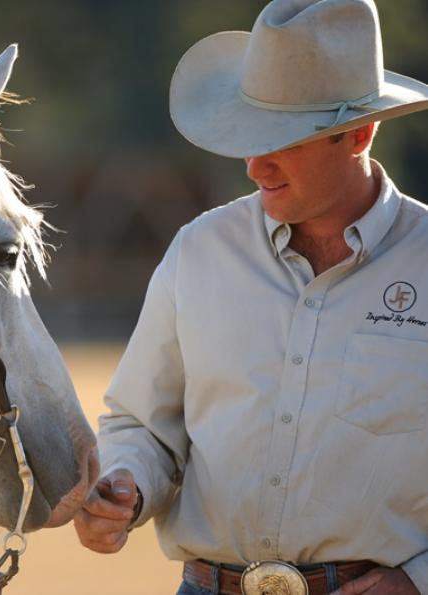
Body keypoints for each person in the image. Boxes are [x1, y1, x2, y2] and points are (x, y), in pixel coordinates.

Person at [74, 1, 428, 594]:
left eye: (281, 139)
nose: (253, 165)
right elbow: (141, 423)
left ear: (360, 132)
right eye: (247, 134)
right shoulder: (198, 252)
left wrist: (419, 582)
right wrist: (126, 485)